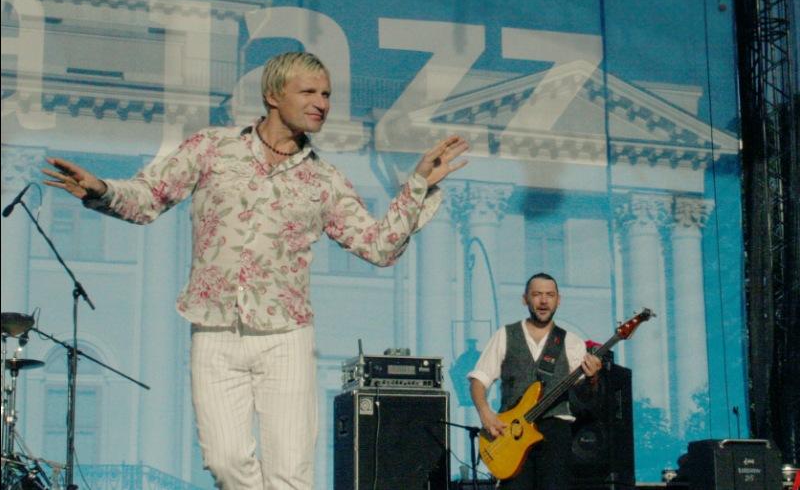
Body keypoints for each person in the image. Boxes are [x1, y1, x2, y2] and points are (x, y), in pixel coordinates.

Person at [41, 51, 469, 489]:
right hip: (215, 330)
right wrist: (101, 190)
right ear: (272, 95)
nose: (321, 103)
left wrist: (417, 186)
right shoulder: (212, 147)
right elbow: (150, 196)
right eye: (308, 92)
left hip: (286, 337)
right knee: (225, 462)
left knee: (289, 473)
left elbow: (378, 246)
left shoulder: (325, 180)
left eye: (326, 94)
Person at [468, 272, 602, 489]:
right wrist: (485, 413)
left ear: (558, 300)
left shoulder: (572, 342)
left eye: (550, 295)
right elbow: (478, 380)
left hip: (555, 431)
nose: (543, 301)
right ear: (525, 299)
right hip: (512, 432)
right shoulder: (505, 335)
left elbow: (585, 397)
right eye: (537, 294)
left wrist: (592, 378)